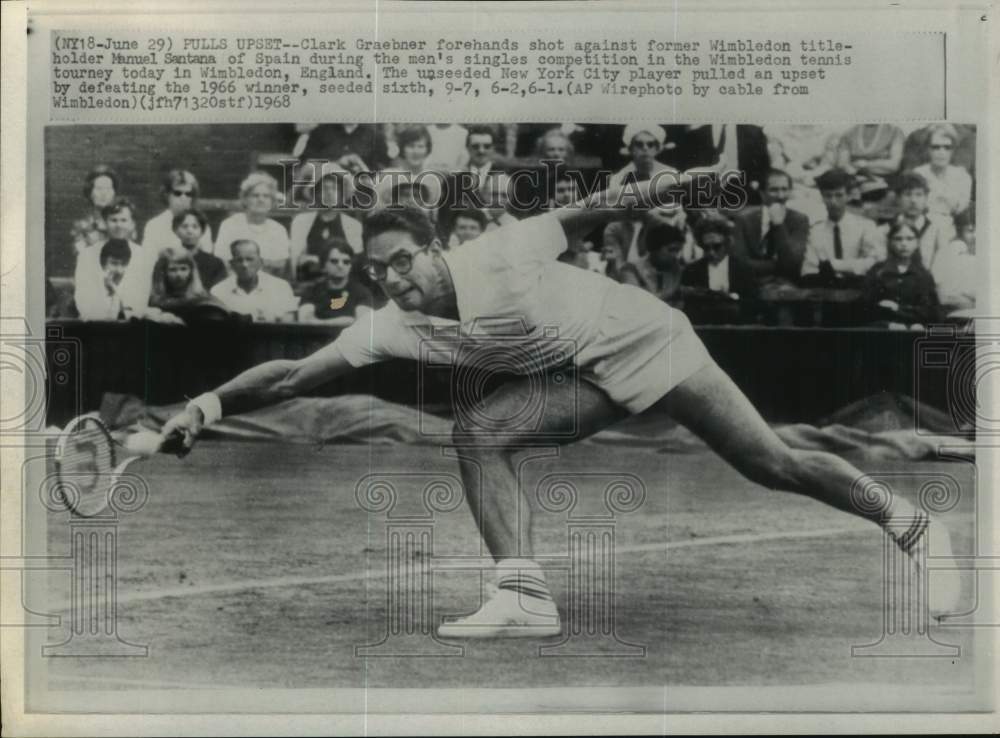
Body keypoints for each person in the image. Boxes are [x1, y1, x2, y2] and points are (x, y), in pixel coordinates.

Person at [163, 172, 958, 639]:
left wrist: (676, 189)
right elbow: (294, 376)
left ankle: (914, 524)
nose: (394, 281)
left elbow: (594, 210)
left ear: (433, 250)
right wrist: (201, 406)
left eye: (402, 263)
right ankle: (522, 594)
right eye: (381, 273)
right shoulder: (390, 325)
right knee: (478, 432)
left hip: (644, 338)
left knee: (770, 463)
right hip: (580, 377)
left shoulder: (498, 254)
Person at [800, 169, 884, 285]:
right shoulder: (815, 231)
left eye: (839, 195)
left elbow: (875, 262)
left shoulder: (865, 227)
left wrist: (835, 265)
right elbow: (809, 271)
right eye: (828, 196)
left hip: (858, 290)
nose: (833, 201)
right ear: (821, 197)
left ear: (849, 196)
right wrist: (855, 266)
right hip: (825, 291)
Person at [74, 198, 153, 318]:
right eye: (113, 220)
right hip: (95, 323)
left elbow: (141, 298)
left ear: (132, 224)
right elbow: (83, 297)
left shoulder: (143, 256)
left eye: (124, 220)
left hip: (130, 324)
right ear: (105, 222)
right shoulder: (87, 256)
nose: (118, 225)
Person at [730, 169, 810, 282]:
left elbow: (792, 266)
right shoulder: (744, 219)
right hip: (750, 284)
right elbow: (739, 263)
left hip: (786, 287)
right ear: (762, 193)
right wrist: (777, 266)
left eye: (785, 189)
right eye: (774, 190)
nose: (781, 196)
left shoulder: (799, 220)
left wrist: (778, 225)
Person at [861, 221, 941, 328]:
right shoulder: (878, 271)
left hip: (914, 331)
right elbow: (866, 309)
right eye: (898, 239)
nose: (904, 244)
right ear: (890, 242)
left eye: (909, 239)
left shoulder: (923, 275)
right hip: (883, 332)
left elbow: (931, 312)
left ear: (917, 243)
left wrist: (898, 309)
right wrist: (887, 325)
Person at [681, 214, 761, 321]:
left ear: (727, 243)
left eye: (716, 246)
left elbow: (753, 303)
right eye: (706, 247)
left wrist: (732, 298)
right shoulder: (692, 270)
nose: (711, 252)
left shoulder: (743, 269)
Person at [289, 171, 364, 282]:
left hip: (342, 284)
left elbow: (355, 262)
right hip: (309, 282)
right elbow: (295, 260)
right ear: (317, 193)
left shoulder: (353, 225)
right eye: (324, 189)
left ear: (341, 196)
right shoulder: (301, 221)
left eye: (335, 189)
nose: (329, 193)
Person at [214, 172, 291, 279]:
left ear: (272, 202)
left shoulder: (278, 229)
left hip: (268, 285)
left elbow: (280, 265)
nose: (261, 200)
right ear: (245, 199)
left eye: (266, 196)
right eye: (255, 195)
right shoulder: (230, 225)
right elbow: (222, 261)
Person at [210, 239, 297, 322]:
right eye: (239, 260)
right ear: (231, 264)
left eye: (250, 259)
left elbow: (288, 326)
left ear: (260, 262)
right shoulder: (218, 292)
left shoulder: (281, 287)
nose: (245, 265)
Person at [297, 240, 374, 327]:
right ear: (323, 265)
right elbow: (305, 322)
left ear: (351, 265)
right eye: (334, 261)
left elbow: (362, 324)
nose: (340, 266)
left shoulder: (362, 292)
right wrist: (347, 321)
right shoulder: (311, 292)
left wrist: (319, 322)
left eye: (346, 262)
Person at [913, 124, 973, 233]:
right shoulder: (918, 174)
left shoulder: (962, 177)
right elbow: (915, 207)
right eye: (935, 147)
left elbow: (959, 209)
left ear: (953, 150)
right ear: (927, 149)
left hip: (951, 227)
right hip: (921, 226)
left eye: (947, 147)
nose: (942, 152)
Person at [149, 246, 230, 323]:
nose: (179, 275)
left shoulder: (204, 301)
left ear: (191, 271)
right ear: (163, 273)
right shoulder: (154, 301)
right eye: (172, 270)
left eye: (183, 269)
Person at [142, 170, 214, 254]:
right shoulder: (154, 226)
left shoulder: (201, 225)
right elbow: (149, 261)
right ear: (167, 195)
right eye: (177, 193)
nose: (183, 198)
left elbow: (207, 259)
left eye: (188, 194)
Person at [74, 239, 141, 321]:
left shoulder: (131, 283)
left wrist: (115, 291)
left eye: (124, 264)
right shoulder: (91, 283)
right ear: (103, 264)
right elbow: (91, 315)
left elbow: (134, 315)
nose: (119, 270)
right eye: (114, 263)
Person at [71, 165, 130, 254]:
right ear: (90, 192)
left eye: (108, 188)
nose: (104, 193)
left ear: (114, 192)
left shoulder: (125, 221)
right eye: (99, 189)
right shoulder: (81, 226)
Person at [607, 124, 678, 188]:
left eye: (650, 144)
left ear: (657, 149)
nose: (645, 148)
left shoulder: (671, 174)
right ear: (630, 149)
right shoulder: (618, 179)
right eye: (639, 144)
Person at [172, 209, 228, 290]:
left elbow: (220, 292)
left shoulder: (215, 263)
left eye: (195, 227)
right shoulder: (168, 260)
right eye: (184, 226)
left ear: (202, 231)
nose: (189, 231)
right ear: (176, 230)